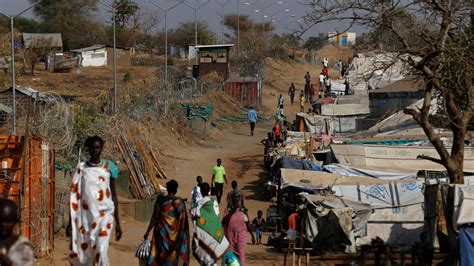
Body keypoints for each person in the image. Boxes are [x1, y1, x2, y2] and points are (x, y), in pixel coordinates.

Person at [68, 136, 122, 265]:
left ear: (102, 148)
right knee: (87, 253)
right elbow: (75, 196)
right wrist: (71, 222)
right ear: (88, 149)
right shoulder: (82, 168)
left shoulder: (110, 167)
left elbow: (114, 196)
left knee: (101, 250)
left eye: (97, 147)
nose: (95, 150)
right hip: (85, 218)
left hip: (105, 216)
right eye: (92, 147)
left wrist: (118, 223)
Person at [144, 180, 189, 266]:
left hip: (161, 234)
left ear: (167, 189)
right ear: (176, 190)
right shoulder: (179, 203)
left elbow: (155, 217)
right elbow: (182, 223)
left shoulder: (161, 200)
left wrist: (147, 232)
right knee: (172, 259)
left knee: (160, 257)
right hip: (175, 237)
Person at [191, 182, 231, 265]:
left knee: (205, 254)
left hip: (203, 231)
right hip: (215, 230)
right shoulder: (214, 203)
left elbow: (195, 218)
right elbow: (217, 216)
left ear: (201, 192)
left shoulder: (198, 204)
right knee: (213, 254)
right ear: (209, 191)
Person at [222, 192, 256, 266]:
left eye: (237, 197)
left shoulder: (243, 209)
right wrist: (233, 211)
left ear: (239, 199)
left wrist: (252, 236)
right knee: (230, 254)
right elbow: (224, 221)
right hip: (230, 235)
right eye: (234, 197)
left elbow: (247, 223)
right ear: (231, 198)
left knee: (241, 254)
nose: (236, 199)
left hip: (241, 235)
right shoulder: (228, 209)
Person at [0, 199, 34, 266]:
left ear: (15, 222)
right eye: (0, 220)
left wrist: (5, 260)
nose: (3, 225)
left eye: (8, 221)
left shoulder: (23, 245)